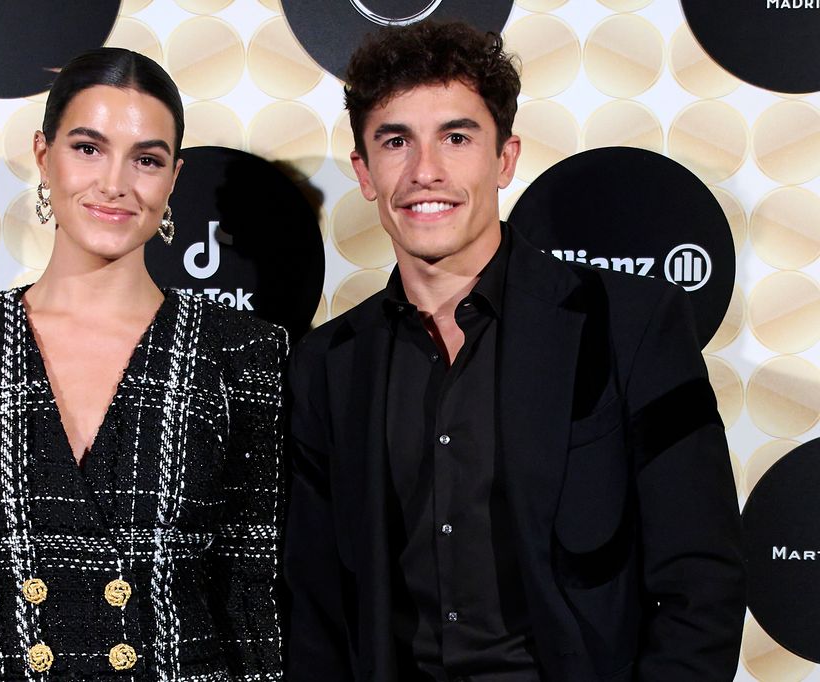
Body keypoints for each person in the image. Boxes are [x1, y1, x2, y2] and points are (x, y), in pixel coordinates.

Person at [285, 20, 744, 682]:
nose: (425, 172)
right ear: (364, 171)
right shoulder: (328, 365)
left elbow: (703, 582)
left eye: (457, 137)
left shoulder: (631, 325)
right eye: (395, 142)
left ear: (504, 158)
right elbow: (316, 610)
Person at [0, 47, 286, 680]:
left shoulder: (240, 351)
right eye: (88, 148)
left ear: (173, 178)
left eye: (146, 159)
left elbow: (252, 591)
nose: (115, 183)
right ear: (43, 155)